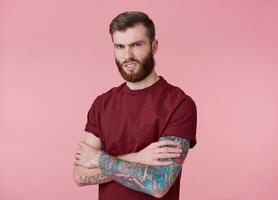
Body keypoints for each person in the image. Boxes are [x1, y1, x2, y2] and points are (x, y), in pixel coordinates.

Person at [73, 11, 197, 200]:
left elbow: (158, 184)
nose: (127, 55)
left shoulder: (179, 104)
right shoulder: (102, 104)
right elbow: (80, 175)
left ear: (154, 46)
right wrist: (138, 157)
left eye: (136, 45)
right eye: (120, 46)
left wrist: (98, 158)